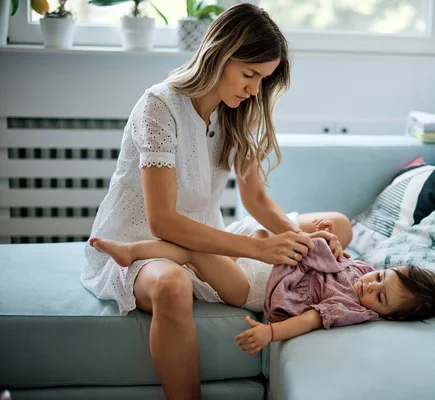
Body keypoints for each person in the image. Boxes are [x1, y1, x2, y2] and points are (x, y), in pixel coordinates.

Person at [81, 4, 350, 399]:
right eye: (249, 74)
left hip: (208, 235)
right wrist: (257, 248)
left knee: (337, 226)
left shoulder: (236, 110)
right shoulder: (159, 106)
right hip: (144, 241)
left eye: (263, 79)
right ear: (220, 54)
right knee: (172, 285)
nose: (255, 89)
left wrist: (305, 246)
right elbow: (163, 222)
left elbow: (255, 198)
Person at [88, 219, 435, 357]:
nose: (369, 285)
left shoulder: (353, 308)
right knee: (238, 239)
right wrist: (330, 243)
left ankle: (134, 251)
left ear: (387, 317)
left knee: (196, 252)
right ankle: (134, 250)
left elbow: (311, 320)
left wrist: (270, 332)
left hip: (252, 288)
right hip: (268, 261)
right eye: (380, 277)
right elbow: (337, 259)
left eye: (380, 298)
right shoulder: (363, 269)